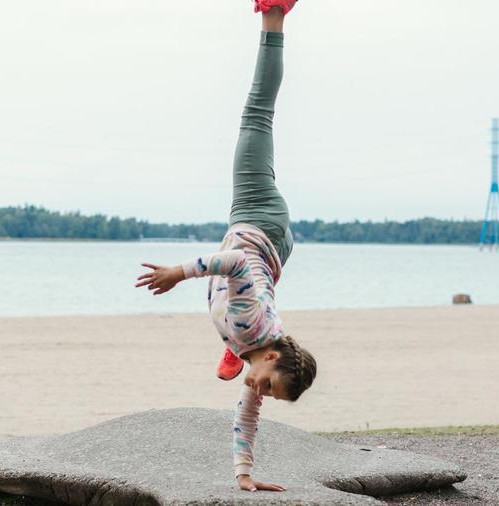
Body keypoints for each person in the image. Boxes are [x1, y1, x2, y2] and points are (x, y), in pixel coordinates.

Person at [135, 0, 317, 493]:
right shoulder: (253, 322)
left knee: (238, 331)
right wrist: (179, 271)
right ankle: (275, 15)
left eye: (264, 393)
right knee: (257, 114)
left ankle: (230, 353)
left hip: (271, 247)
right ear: (274, 359)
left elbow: (245, 422)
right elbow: (235, 262)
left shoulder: (263, 343)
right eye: (267, 386)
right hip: (258, 221)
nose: (260, 394)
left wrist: (245, 476)